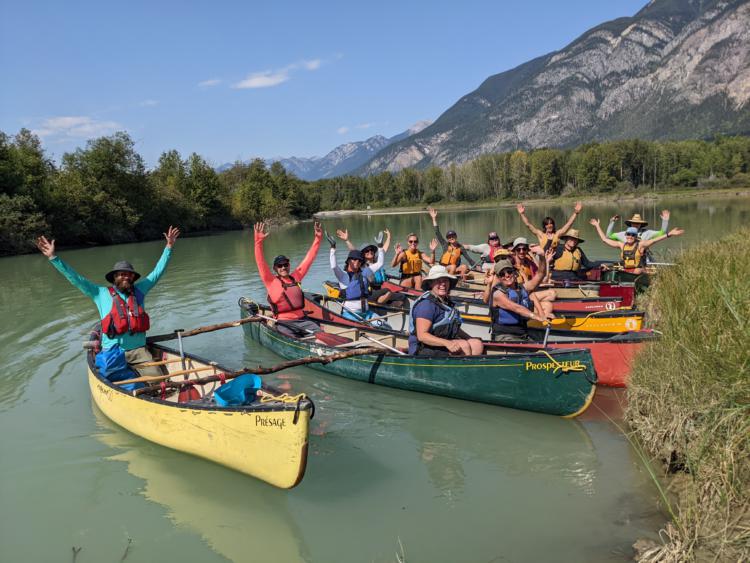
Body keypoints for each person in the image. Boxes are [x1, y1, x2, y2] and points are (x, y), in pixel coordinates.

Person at [36, 227, 180, 377]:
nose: (126, 277)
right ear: (114, 278)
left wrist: (168, 247)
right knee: (111, 379)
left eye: (129, 275)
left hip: (138, 352)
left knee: (157, 379)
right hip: (112, 352)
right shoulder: (100, 293)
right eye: (122, 274)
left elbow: (158, 271)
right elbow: (76, 279)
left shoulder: (140, 290)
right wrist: (54, 258)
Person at [254, 221, 323, 338]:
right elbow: (260, 262)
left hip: (303, 320)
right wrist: (258, 242)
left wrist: (318, 237)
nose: (283, 267)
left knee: (321, 335)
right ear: (275, 268)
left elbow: (310, 257)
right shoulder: (270, 281)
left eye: (285, 264)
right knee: (290, 338)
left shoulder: (296, 276)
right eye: (280, 266)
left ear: (289, 265)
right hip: (284, 323)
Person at [409, 265, 484, 356]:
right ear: (431, 284)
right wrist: (447, 343)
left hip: (439, 344)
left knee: (477, 344)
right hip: (422, 349)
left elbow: (453, 326)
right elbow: (422, 336)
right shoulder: (426, 305)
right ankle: (463, 369)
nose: (443, 284)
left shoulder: (446, 302)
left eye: (445, 280)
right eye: (438, 281)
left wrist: (470, 338)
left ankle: (472, 368)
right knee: (464, 345)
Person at [483, 252, 553, 342]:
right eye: (502, 274)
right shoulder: (498, 294)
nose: (507, 275)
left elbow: (540, 274)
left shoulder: (523, 287)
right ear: (499, 278)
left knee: (542, 341)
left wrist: (542, 257)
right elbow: (517, 308)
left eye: (509, 271)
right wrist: (537, 316)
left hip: (523, 333)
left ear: (514, 272)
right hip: (505, 336)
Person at [336, 228, 404, 306]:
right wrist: (347, 240)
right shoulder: (362, 265)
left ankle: (385, 304)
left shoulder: (377, 261)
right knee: (387, 292)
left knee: (402, 297)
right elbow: (353, 250)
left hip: (379, 289)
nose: (370, 251)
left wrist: (389, 237)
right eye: (367, 251)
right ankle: (377, 306)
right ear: (363, 254)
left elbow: (383, 249)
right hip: (370, 291)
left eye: (371, 250)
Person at [590, 218, 684, 274]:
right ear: (626, 235)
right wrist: (597, 226)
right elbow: (605, 239)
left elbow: (655, 239)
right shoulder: (622, 245)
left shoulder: (641, 245)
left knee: (636, 272)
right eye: (628, 234)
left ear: (635, 236)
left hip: (638, 272)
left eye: (632, 235)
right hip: (626, 271)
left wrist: (669, 234)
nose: (630, 237)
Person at [330, 234, 385, 322]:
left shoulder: (365, 272)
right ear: (348, 261)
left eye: (359, 260)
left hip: (367, 313)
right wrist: (333, 248)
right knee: (362, 327)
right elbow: (334, 266)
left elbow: (380, 263)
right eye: (354, 259)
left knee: (385, 326)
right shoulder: (343, 275)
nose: (357, 262)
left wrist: (380, 247)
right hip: (350, 314)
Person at [511, 237, 556, 312]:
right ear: (515, 251)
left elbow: (544, 279)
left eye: (524, 249)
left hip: (529, 294)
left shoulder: (529, 263)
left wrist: (546, 262)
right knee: (551, 294)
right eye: (518, 249)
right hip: (517, 294)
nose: (521, 251)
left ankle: (532, 313)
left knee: (550, 300)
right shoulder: (510, 263)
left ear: (527, 250)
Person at [428, 207, 476, 277]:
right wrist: (434, 218)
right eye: (449, 237)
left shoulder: (461, 248)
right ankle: (449, 280)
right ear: (447, 239)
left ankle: (463, 282)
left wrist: (477, 267)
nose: (451, 238)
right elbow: (437, 232)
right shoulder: (445, 245)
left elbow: (469, 259)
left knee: (464, 267)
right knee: (453, 266)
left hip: (454, 268)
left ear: (456, 237)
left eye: (453, 236)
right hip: (443, 268)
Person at [517, 201, 583, 251]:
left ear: (553, 225)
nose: (549, 225)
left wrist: (575, 213)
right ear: (544, 226)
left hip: (556, 259)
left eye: (551, 223)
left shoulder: (557, 234)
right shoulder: (541, 235)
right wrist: (522, 214)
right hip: (544, 259)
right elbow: (528, 225)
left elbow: (569, 224)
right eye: (547, 224)